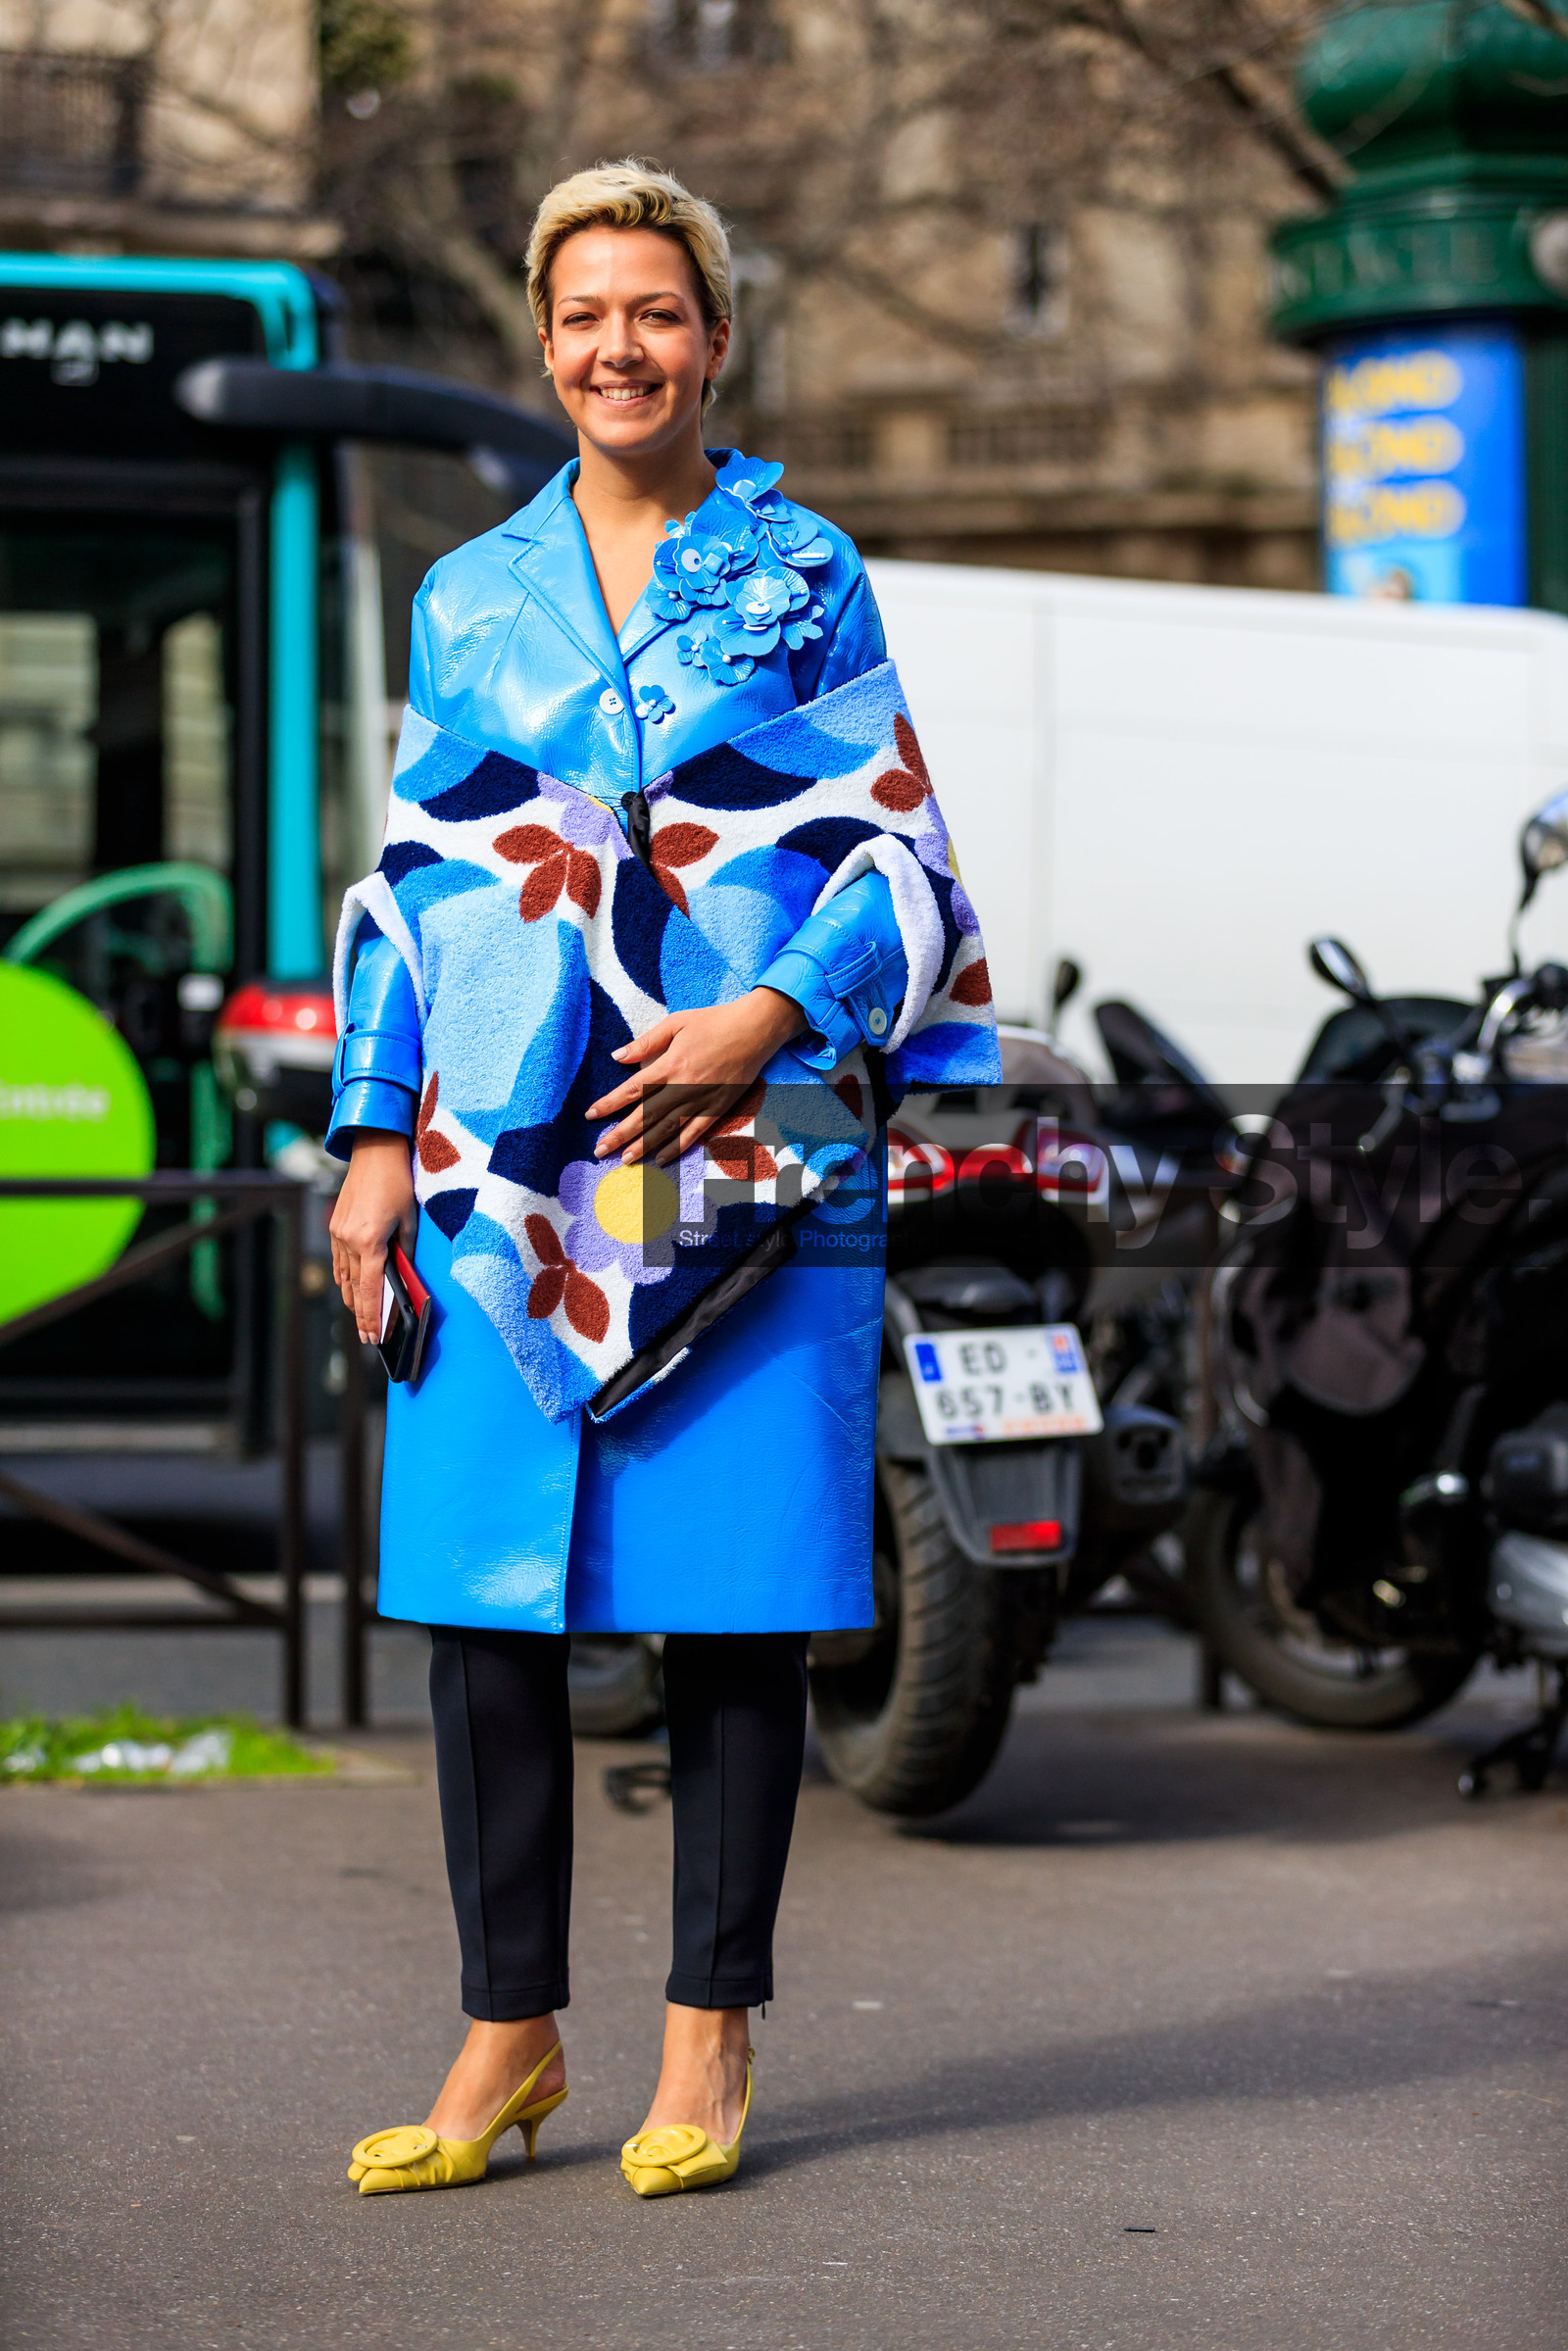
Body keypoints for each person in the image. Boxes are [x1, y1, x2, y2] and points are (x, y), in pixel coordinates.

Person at [327, 159, 998, 2201]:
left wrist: (770, 1016)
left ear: (713, 336)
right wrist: (369, 1154)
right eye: (584, 316)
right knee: (481, 1608)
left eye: (658, 312)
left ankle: (706, 2036)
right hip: (498, 1160)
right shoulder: (471, 594)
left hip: (742, 1157)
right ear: (545, 343)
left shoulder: (803, 569)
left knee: (725, 1611)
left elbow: (895, 845)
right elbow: (419, 885)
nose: (620, 348)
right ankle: (504, 2032)